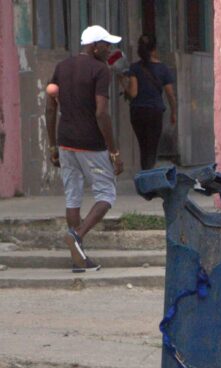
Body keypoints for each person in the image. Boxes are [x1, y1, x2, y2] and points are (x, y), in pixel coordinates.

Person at [46, 25, 124, 272]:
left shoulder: (62, 67)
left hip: (66, 140)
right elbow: (101, 112)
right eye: (106, 44)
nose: (109, 48)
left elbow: (50, 108)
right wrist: (114, 151)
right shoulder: (100, 70)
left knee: (73, 196)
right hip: (91, 143)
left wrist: (52, 145)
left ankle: (77, 258)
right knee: (106, 194)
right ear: (94, 46)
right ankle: (77, 235)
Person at [125, 34, 177, 170]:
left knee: (143, 146)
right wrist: (173, 112)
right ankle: (149, 177)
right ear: (154, 50)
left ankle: (146, 174)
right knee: (152, 147)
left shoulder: (134, 68)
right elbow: (170, 94)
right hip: (155, 111)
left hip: (137, 112)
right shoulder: (163, 68)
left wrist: (122, 82)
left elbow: (133, 93)